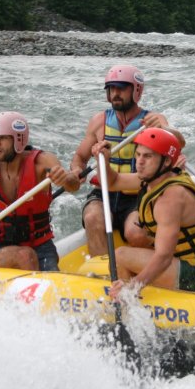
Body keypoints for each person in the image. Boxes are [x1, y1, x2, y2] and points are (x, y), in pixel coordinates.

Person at [93, 128, 195, 299]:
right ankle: (128, 299)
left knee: (121, 255)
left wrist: (132, 288)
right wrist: (102, 161)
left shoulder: (170, 198)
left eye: (147, 156)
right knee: (126, 256)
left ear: (166, 161)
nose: (139, 162)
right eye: (138, 154)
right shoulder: (154, 180)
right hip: (188, 263)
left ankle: (127, 304)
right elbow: (113, 182)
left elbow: (163, 257)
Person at [0, 112, 80, 270]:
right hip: (1, 249)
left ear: (19, 139)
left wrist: (65, 178)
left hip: (41, 246)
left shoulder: (42, 162)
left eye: (2, 138)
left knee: (38, 265)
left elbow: (73, 186)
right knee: (25, 256)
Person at [70, 64, 169, 256]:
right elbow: (80, 157)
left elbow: (175, 145)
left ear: (136, 91)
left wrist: (165, 127)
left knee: (135, 232)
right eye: (111, 89)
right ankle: (103, 275)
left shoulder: (151, 121)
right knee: (92, 217)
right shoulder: (99, 121)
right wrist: (76, 170)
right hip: (104, 191)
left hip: (137, 194)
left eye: (121, 88)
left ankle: (150, 266)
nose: (115, 93)